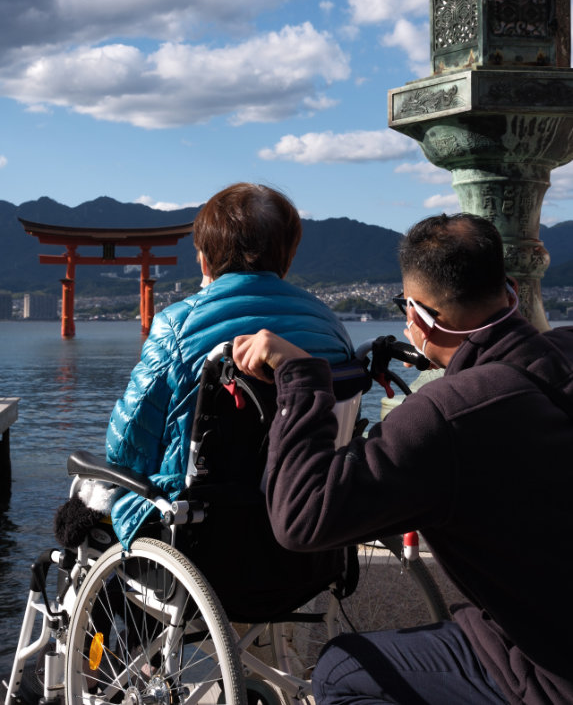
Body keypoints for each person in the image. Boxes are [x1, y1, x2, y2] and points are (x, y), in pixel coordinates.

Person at [232, 213, 573, 705]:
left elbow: (302, 518)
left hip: (549, 673)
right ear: (510, 288)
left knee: (342, 669)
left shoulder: (448, 414)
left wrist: (301, 379)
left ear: (418, 317)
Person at [106, 182, 353, 548]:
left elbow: (127, 446)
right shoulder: (330, 325)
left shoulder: (177, 325)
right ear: (288, 257)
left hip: (201, 529)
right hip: (307, 514)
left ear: (205, 259)